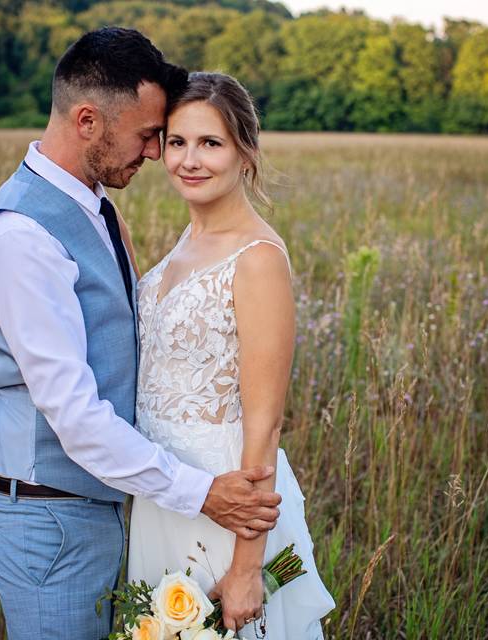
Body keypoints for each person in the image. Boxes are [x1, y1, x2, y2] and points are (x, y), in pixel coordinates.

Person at [0, 30, 281, 640]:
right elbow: (75, 417)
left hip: (120, 505)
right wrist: (202, 493)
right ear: (87, 121)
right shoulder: (22, 238)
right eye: (150, 134)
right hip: (49, 514)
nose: (159, 154)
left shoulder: (92, 209)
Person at [126, 72, 335, 638]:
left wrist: (247, 568)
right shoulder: (185, 242)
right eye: (177, 142)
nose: (190, 160)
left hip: (230, 502)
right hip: (167, 497)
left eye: (210, 143)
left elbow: (264, 427)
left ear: (245, 151)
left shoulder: (257, 258)